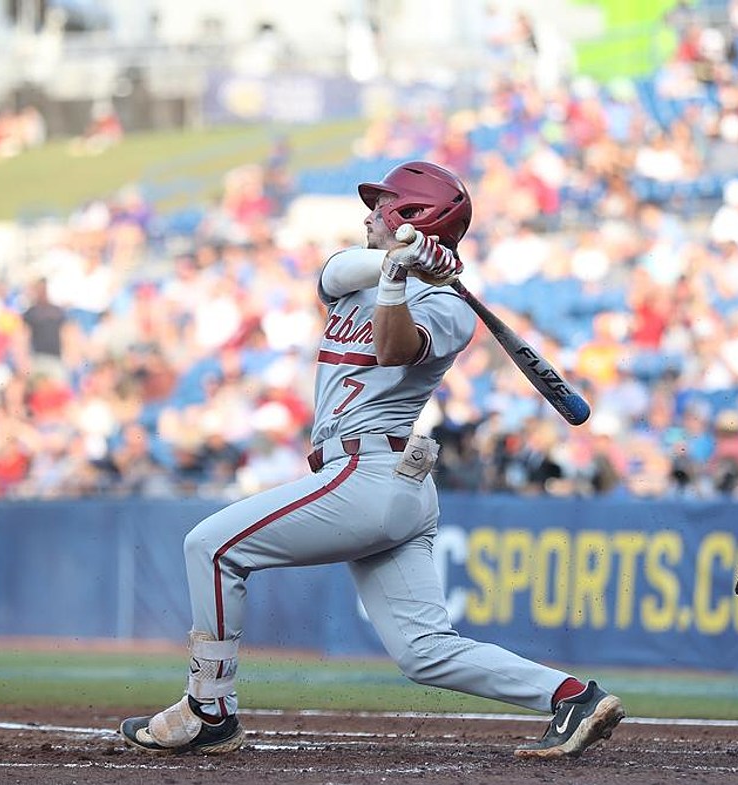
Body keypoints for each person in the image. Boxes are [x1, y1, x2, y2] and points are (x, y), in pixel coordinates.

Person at [119, 161, 624, 759]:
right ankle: (571, 697)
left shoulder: (451, 307)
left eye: (383, 206)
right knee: (424, 650)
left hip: (370, 472)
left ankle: (211, 709)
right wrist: (398, 262)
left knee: (211, 546)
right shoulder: (356, 273)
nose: (368, 214)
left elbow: (392, 349)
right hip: (381, 483)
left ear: (411, 215)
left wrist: (403, 278)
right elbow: (333, 273)